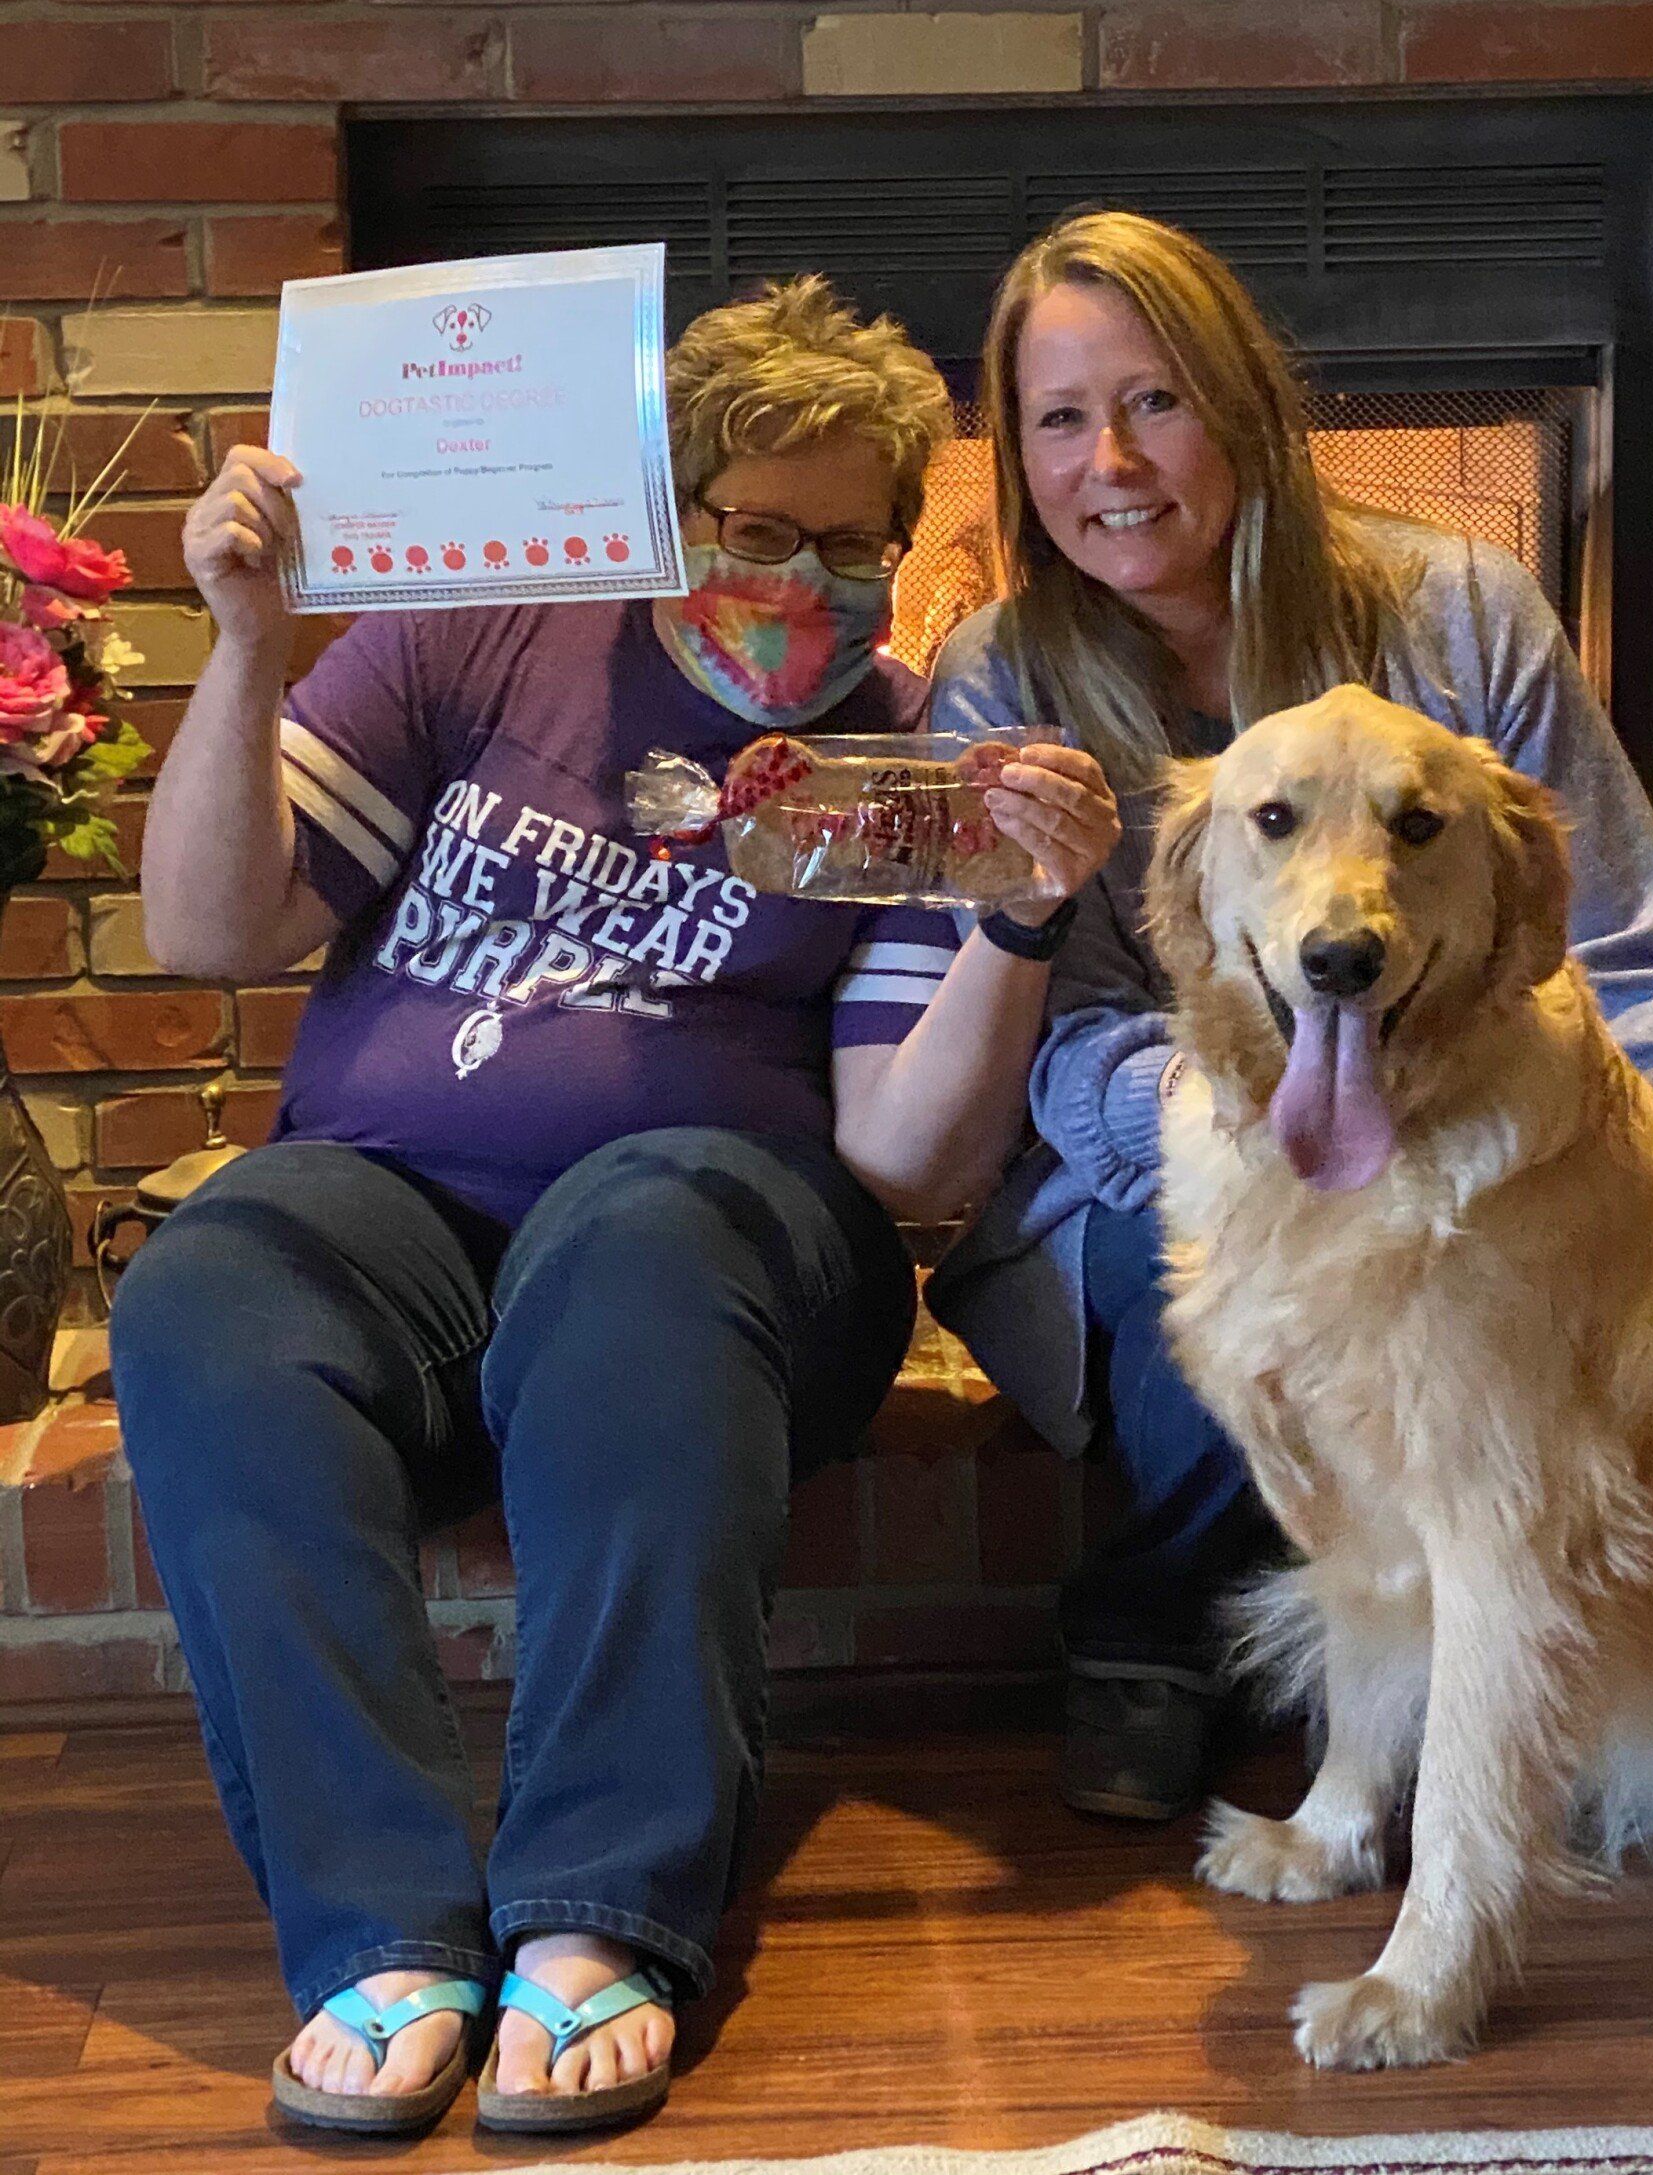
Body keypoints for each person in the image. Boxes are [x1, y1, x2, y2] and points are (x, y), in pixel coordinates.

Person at [113, 277, 1120, 2140]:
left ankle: (600, 1916)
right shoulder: (481, 635)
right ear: (670, 515)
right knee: (214, 1275)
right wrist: (247, 646)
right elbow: (209, 930)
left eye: (852, 545)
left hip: (732, 1263)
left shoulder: (899, 762)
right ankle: (378, 1933)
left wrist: (1020, 923)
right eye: (758, 532)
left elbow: (905, 1160)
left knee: (645, 1223)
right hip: (397, 1213)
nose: (805, 582)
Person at [927, 210, 1653, 1829]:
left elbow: (1618, 944)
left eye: (1157, 399)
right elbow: (1063, 1026)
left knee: (1497, 1312)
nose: (1112, 458)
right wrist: (1260, 1136)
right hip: (1140, 1144)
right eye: (1056, 418)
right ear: (1017, 457)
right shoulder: (996, 674)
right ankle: (1158, 1630)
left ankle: (1542, 1699)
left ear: (1243, 407)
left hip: (1477, 1122)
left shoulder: (1462, 608)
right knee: (1221, 1306)